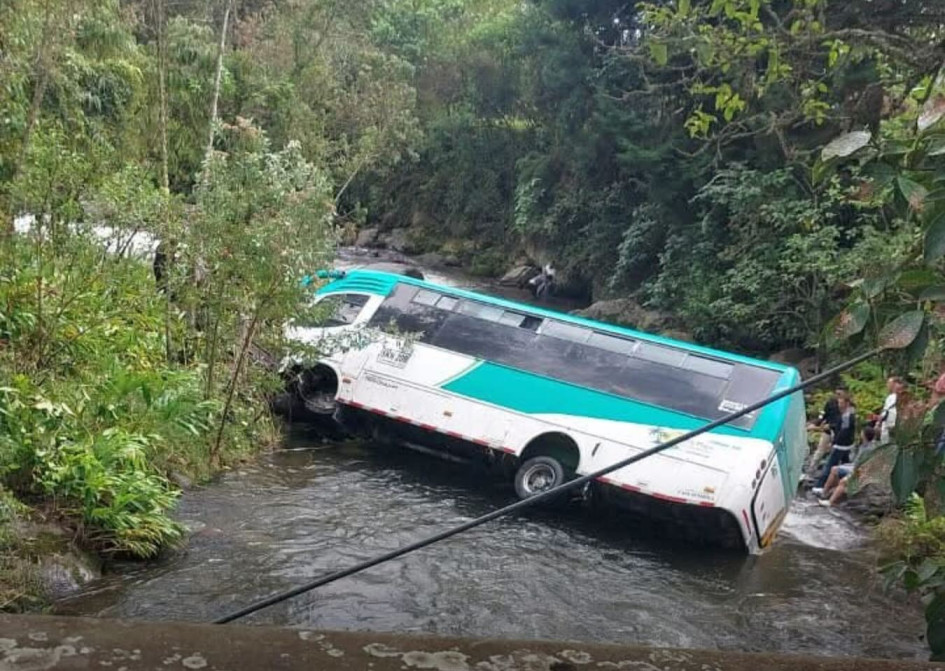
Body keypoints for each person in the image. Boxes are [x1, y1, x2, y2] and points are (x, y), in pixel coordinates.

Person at [814, 425, 877, 506]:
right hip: (854, 466)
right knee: (834, 469)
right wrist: (855, 447)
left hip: (860, 470)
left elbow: (865, 464)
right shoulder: (862, 445)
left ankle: (831, 502)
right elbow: (853, 458)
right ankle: (825, 492)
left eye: (862, 432)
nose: (860, 434)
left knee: (843, 481)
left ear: (864, 434)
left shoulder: (870, 448)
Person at [814, 390, 856, 489]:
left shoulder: (847, 416)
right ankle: (843, 484)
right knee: (846, 463)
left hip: (841, 445)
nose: (839, 405)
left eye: (841, 403)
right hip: (847, 445)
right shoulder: (848, 413)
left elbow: (843, 431)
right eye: (838, 403)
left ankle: (819, 486)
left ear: (847, 403)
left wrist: (834, 442)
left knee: (829, 465)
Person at [806, 387, 844, 477]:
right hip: (827, 430)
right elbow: (824, 415)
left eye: (840, 394)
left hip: (840, 433)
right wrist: (815, 424)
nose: (838, 396)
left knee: (836, 453)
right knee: (820, 451)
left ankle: (834, 473)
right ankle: (811, 470)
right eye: (837, 394)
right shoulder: (831, 403)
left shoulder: (847, 407)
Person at [878, 376, 902, 443]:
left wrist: (878, 422)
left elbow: (886, 413)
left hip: (889, 429)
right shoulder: (895, 397)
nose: (887, 385)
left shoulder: (892, 397)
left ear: (894, 384)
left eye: (889, 383)